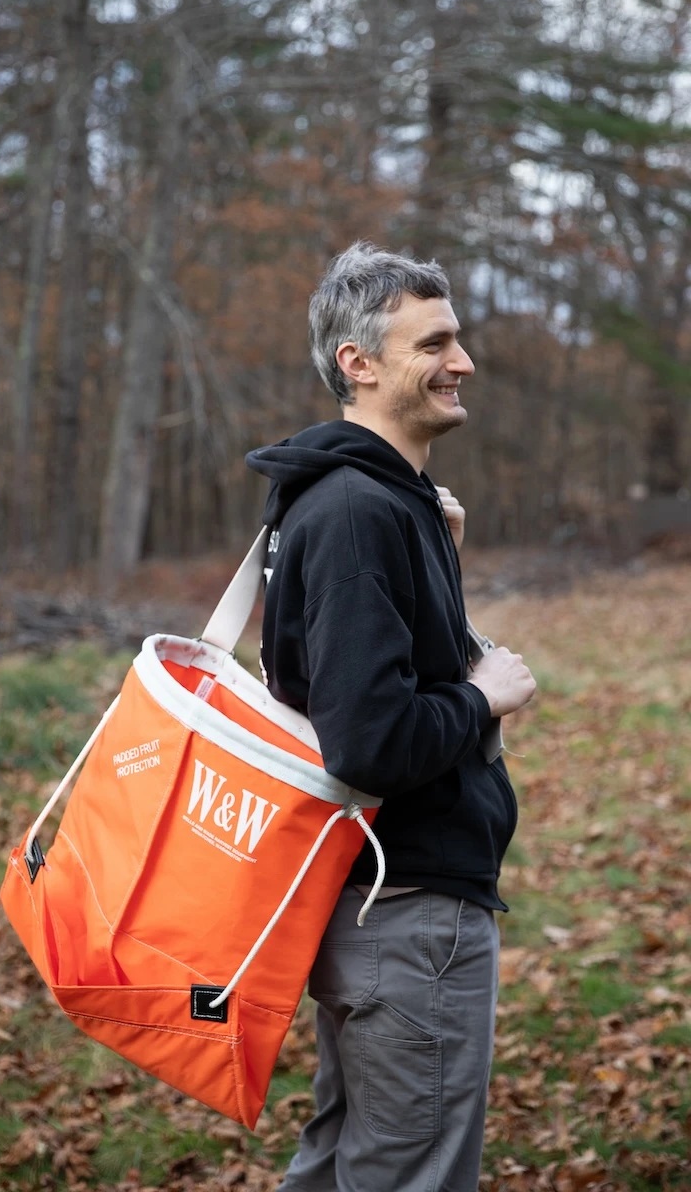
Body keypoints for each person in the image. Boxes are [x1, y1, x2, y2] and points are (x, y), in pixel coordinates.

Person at [244, 241, 537, 1192]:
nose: (463, 363)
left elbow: (361, 675)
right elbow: (369, 741)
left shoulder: (375, 503)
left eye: (459, 339)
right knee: (408, 1174)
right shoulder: (356, 512)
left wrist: (438, 554)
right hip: (405, 914)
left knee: (344, 1164)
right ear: (358, 363)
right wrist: (484, 695)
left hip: (375, 903)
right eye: (434, 343)